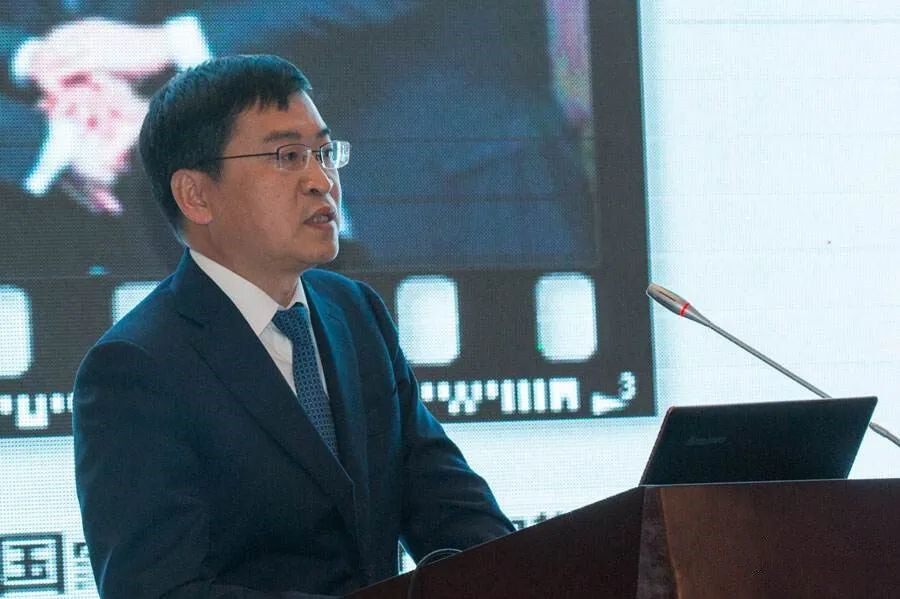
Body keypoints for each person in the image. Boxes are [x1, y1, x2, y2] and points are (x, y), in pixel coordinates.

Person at [72, 54, 514, 598]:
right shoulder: (136, 367)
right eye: (287, 157)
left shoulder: (355, 314)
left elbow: (452, 509)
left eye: (324, 153)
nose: (321, 181)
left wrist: (531, 569)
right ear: (196, 195)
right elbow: (159, 591)